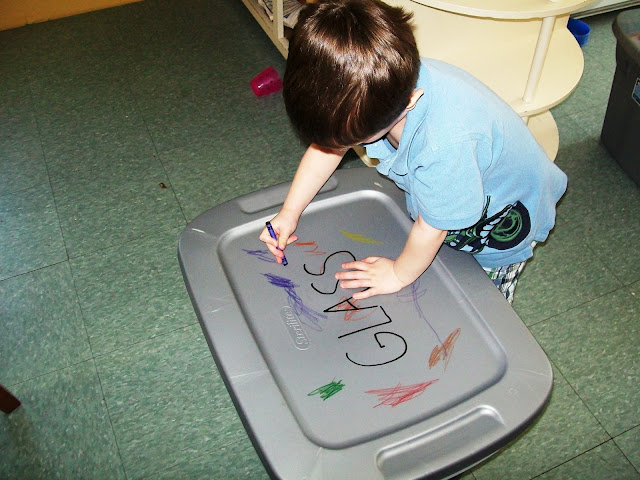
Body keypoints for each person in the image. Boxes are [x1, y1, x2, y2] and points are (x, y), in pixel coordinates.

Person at [259, 0, 567, 303]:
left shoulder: (442, 146)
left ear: (409, 102)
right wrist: (289, 213)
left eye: (358, 138)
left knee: (480, 301)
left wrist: (397, 274)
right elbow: (328, 148)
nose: (345, 145)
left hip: (501, 217)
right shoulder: (379, 84)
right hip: (453, 186)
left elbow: (433, 228)